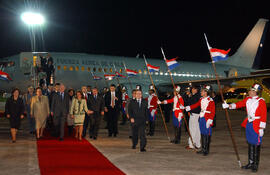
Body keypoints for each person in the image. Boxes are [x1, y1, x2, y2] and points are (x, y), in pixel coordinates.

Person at [222, 83, 267, 172]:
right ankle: (250, 163)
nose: (249, 91)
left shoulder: (261, 101)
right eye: (250, 90)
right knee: (250, 143)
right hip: (249, 123)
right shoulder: (247, 99)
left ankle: (255, 165)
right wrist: (229, 105)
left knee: (256, 145)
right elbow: (239, 104)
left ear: (255, 92)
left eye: (251, 90)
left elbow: (264, 115)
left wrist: (261, 128)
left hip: (256, 124)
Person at [185, 85, 215, 156]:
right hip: (201, 117)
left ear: (206, 92)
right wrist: (187, 107)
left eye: (202, 91)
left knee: (207, 134)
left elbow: (212, 111)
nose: (201, 92)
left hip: (207, 118)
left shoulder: (210, 101)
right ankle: (203, 148)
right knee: (202, 133)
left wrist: (210, 120)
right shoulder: (201, 99)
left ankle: (206, 150)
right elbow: (196, 105)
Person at [184, 85, 201, 150]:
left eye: (194, 89)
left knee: (192, 129)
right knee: (197, 130)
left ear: (197, 90)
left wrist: (189, 109)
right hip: (195, 113)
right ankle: (197, 144)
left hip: (194, 114)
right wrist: (188, 95)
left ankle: (191, 144)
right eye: (192, 89)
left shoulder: (196, 96)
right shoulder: (194, 95)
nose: (192, 90)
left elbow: (191, 104)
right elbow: (187, 102)